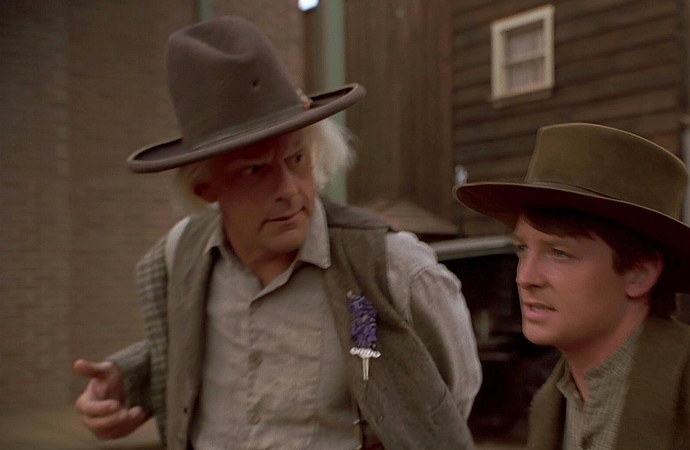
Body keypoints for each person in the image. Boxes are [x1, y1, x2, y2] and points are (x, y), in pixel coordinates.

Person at [72, 16, 481, 450]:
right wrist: (127, 379)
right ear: (205, 186)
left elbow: (449, 407)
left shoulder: (392, 269)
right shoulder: (182, 253)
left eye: (296, 159)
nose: (288, 190)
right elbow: (187, 345)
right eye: (255, 170)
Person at [455, 123, 690, 449]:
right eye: (523, 249)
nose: (525, 277)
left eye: (559, 253)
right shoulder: (550, 405)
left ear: (639, 274)